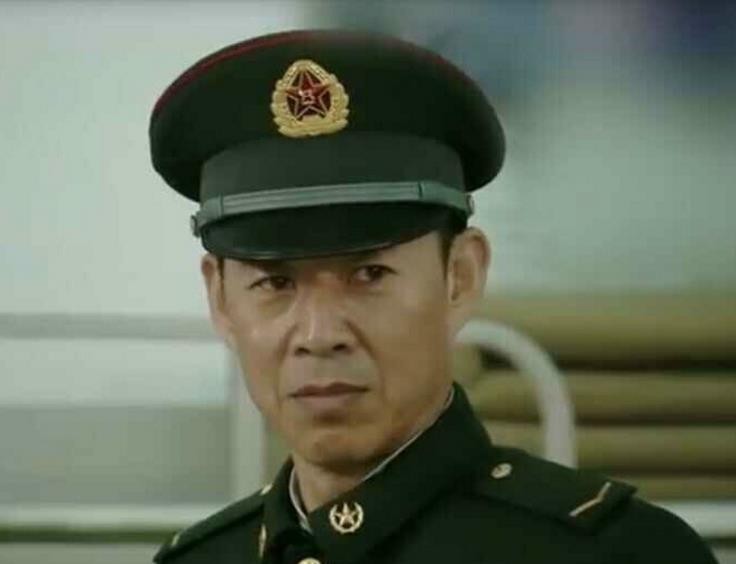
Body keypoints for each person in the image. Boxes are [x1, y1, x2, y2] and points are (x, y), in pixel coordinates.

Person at [149, 30, 716, 564]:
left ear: (460, 277)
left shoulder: (618, 553)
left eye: (369, 273)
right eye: (275, 283)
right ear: (220, 299)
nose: (320, 336)